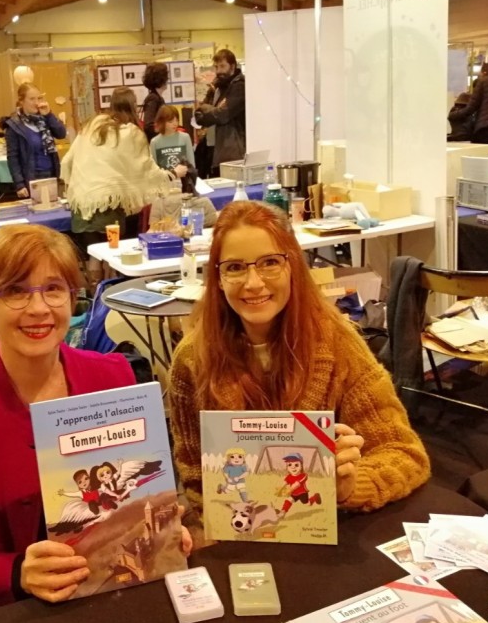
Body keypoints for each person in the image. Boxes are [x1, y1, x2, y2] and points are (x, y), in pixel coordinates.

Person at [0, 224, 189, 623]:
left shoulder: (113, 377)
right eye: (16, 291)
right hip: (2, 612)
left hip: (107, 591)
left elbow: (132, 497)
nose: (39, 308)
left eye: (54, 289)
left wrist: (161, 530)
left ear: (72, 299)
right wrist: (16, 572)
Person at [168, 202, 430, 543]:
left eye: (270, 263)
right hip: (240, 538)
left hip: (329, 535)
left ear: (293, 265)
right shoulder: (193, 359)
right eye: (235, 267)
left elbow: (405, 453)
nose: (253, 283)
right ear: (217, 279)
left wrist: (349, 486)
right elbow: (195, 478)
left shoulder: (337, 343)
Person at [61, 86, 185, 284]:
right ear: (133, 106)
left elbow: (67, 161)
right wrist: (173, 174)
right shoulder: (129, 133)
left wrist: (78, 185)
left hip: (81, 205)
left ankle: (96, 296)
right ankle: (108, 295)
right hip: (108, 207)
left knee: (94, 256)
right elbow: (146, 169)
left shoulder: (92, 125)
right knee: (112, 256)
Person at [4, 84, 67, 199]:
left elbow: (61, 134)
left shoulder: (44, 119)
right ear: (22, 101)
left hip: (51, 174)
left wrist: (49, 115)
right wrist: (19, 184)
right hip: (31, 178)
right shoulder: (14, 126)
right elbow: (13, 157)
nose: (36, 102)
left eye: (39, 98)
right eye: (32, 99)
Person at [194, 49, 246, 173]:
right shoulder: (216, 87)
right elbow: (198, 115)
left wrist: (211, 110)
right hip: (213, 147)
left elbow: (222, 115)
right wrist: (215, 110)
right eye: (216, 67)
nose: (218, 71)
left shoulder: (239, 86)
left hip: (232, 151)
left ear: (232, 66)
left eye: (222, 66)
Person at [150, 104, 195, 171]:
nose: (175, 124)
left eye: (177, 120)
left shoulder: (185, 137)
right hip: (165, 177)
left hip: (184, 177)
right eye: (170, 121)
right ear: (162, 122)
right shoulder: (155, 142)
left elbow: (191, 164)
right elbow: (154, 169)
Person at [140, 62, 169, 143]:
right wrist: (164, 131)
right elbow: (149, 125)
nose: (167, 80)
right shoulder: (153, 98)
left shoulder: (157, 97)